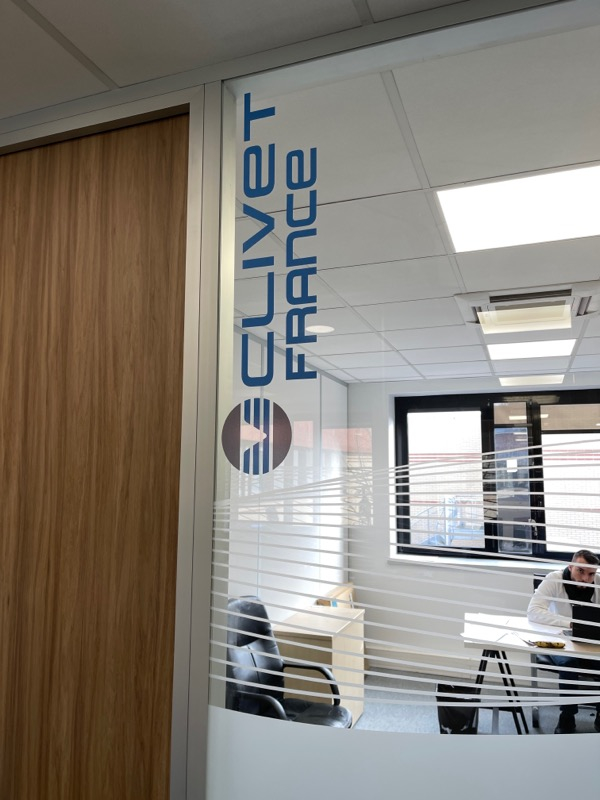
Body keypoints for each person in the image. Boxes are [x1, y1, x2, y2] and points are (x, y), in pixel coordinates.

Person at [527, 549, 600, 734]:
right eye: (580, 571)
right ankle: (567, 716)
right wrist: (570, 623)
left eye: (591, 574)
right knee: (569, 663)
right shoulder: (554, 579)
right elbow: (533, 611)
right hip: (559, 638)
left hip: (590, 640)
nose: (585, 579)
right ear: (570, 566)